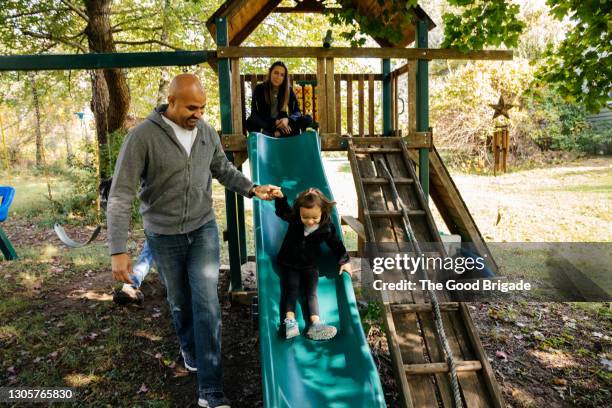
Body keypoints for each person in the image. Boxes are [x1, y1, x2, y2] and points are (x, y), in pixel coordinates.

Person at [107, 73, 279, 408]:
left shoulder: (206, 133)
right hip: (163, 234)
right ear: (170, 102)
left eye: (202, 107)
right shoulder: (142, 137)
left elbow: (223, 169)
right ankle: (190, 349)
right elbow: (120, 196)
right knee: (180, 302)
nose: (198, 113)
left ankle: (211, 390)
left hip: (202, 229)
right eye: (191, 107)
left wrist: (252, 189)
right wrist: (118, 250)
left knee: (207, 304)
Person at [272, 187, 352, 340]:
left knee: (311, 293)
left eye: (314, 217)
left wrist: (345, 260)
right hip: (289, 263)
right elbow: (283, 211)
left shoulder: (326, 227)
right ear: (300, 213)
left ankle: (315, 325)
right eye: (305, 217)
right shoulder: (295, 219)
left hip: (310, 265)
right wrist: (280, 198)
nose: (309, 221)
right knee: (291, 290)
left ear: (322, 212)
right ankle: (289, 323)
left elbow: (336, 244)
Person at [100, 178, 160, 305]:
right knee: (150, 248)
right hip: (159, 223)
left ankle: (131, 285)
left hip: (195, 222)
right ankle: (130, 286)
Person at [245, 60, 313, 137]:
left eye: (282, 75)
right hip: (267, 124)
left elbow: (297, 112)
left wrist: (287, 120)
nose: (278, 77)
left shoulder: (288, 90)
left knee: (308, 119)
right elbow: (254, 113)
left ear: (284, 78)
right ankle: (279, 134)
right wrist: (275, 122)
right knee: (250, 121)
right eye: (276, 73)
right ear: (270, 72)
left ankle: (274, 135)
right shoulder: (260, 89)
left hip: (283, 124)